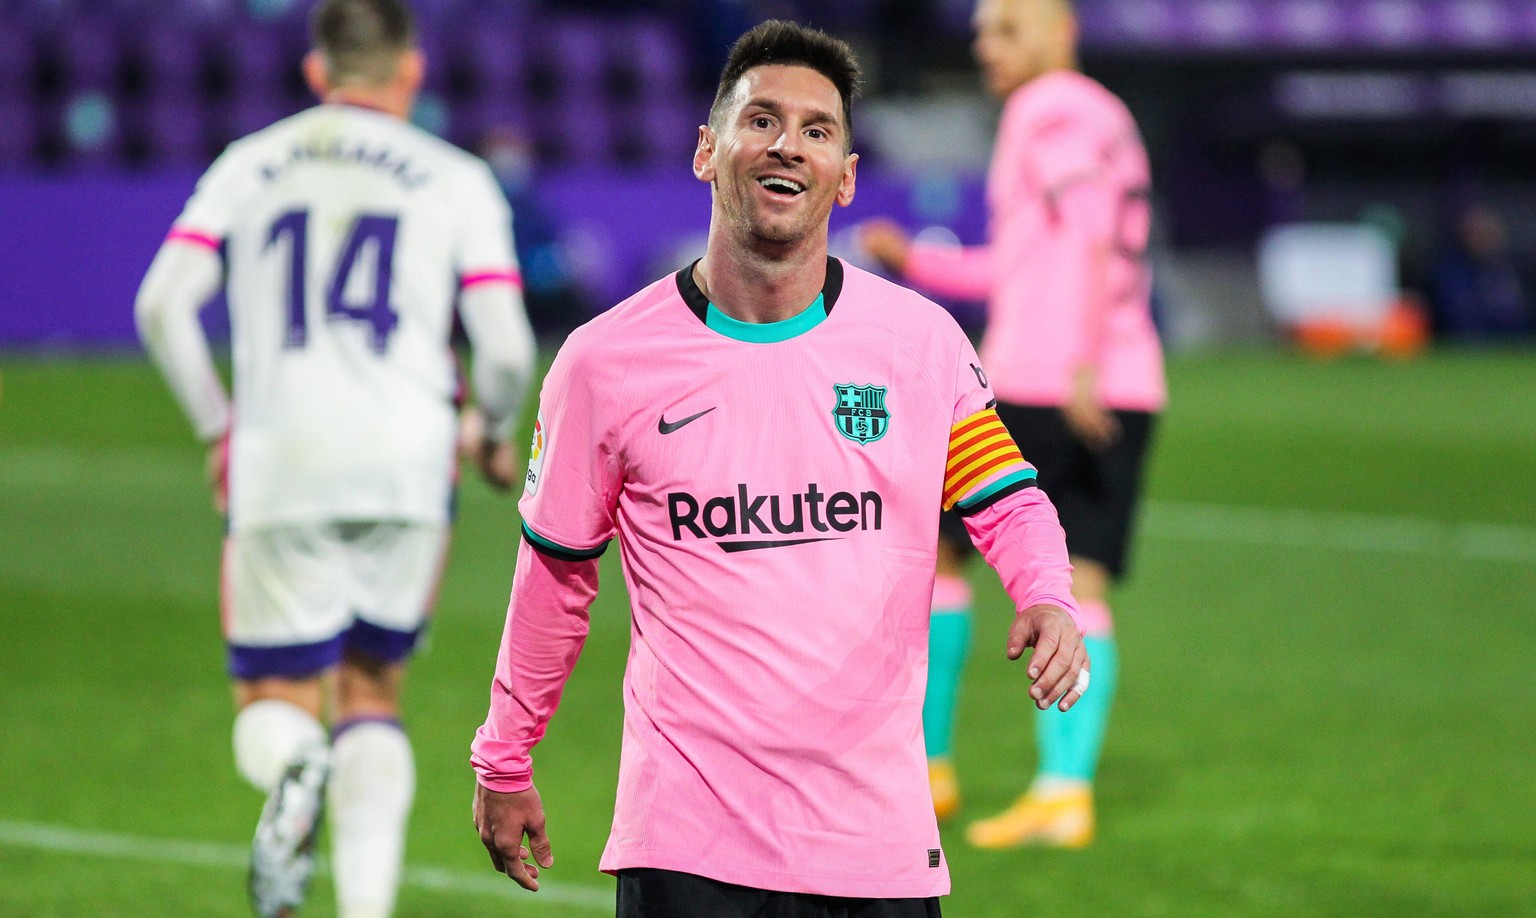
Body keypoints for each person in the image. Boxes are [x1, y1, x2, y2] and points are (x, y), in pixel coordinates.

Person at [471, 19, 1088, 917]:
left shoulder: (918, 345)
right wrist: (504, 755)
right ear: (706, 151)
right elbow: (556, 576)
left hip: (875, 846)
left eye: (816, 129)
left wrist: (1046, 594)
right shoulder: (604, 364)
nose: (786, 145)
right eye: (760, 120)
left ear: (844, 177)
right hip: (688, 845)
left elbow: (1005, 498)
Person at [134, 1, 536, 914]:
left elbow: (163, 305)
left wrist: (215, 427)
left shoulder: (251, 163)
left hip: (282, 457)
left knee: (277, 697)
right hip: (408, 461)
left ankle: (293, 763)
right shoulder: (455, 177)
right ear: (413, 71)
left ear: (318, 74)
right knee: (372, 689)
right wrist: (489, 424)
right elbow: (507, 349)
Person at [860, 0, 1164, 848]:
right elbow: (1035, 262)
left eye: (1008, 30)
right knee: (1086, 583)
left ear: (1060, 30)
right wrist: (922, 263)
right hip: (1130, 375)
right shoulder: (1108, 116)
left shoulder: (1048, 108)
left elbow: (1088, 236)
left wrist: (1075, 362)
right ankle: (1064, 792)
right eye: (982, 34)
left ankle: (926, 770)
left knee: (938, 555)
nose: (988, 48)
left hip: (1048, 378)